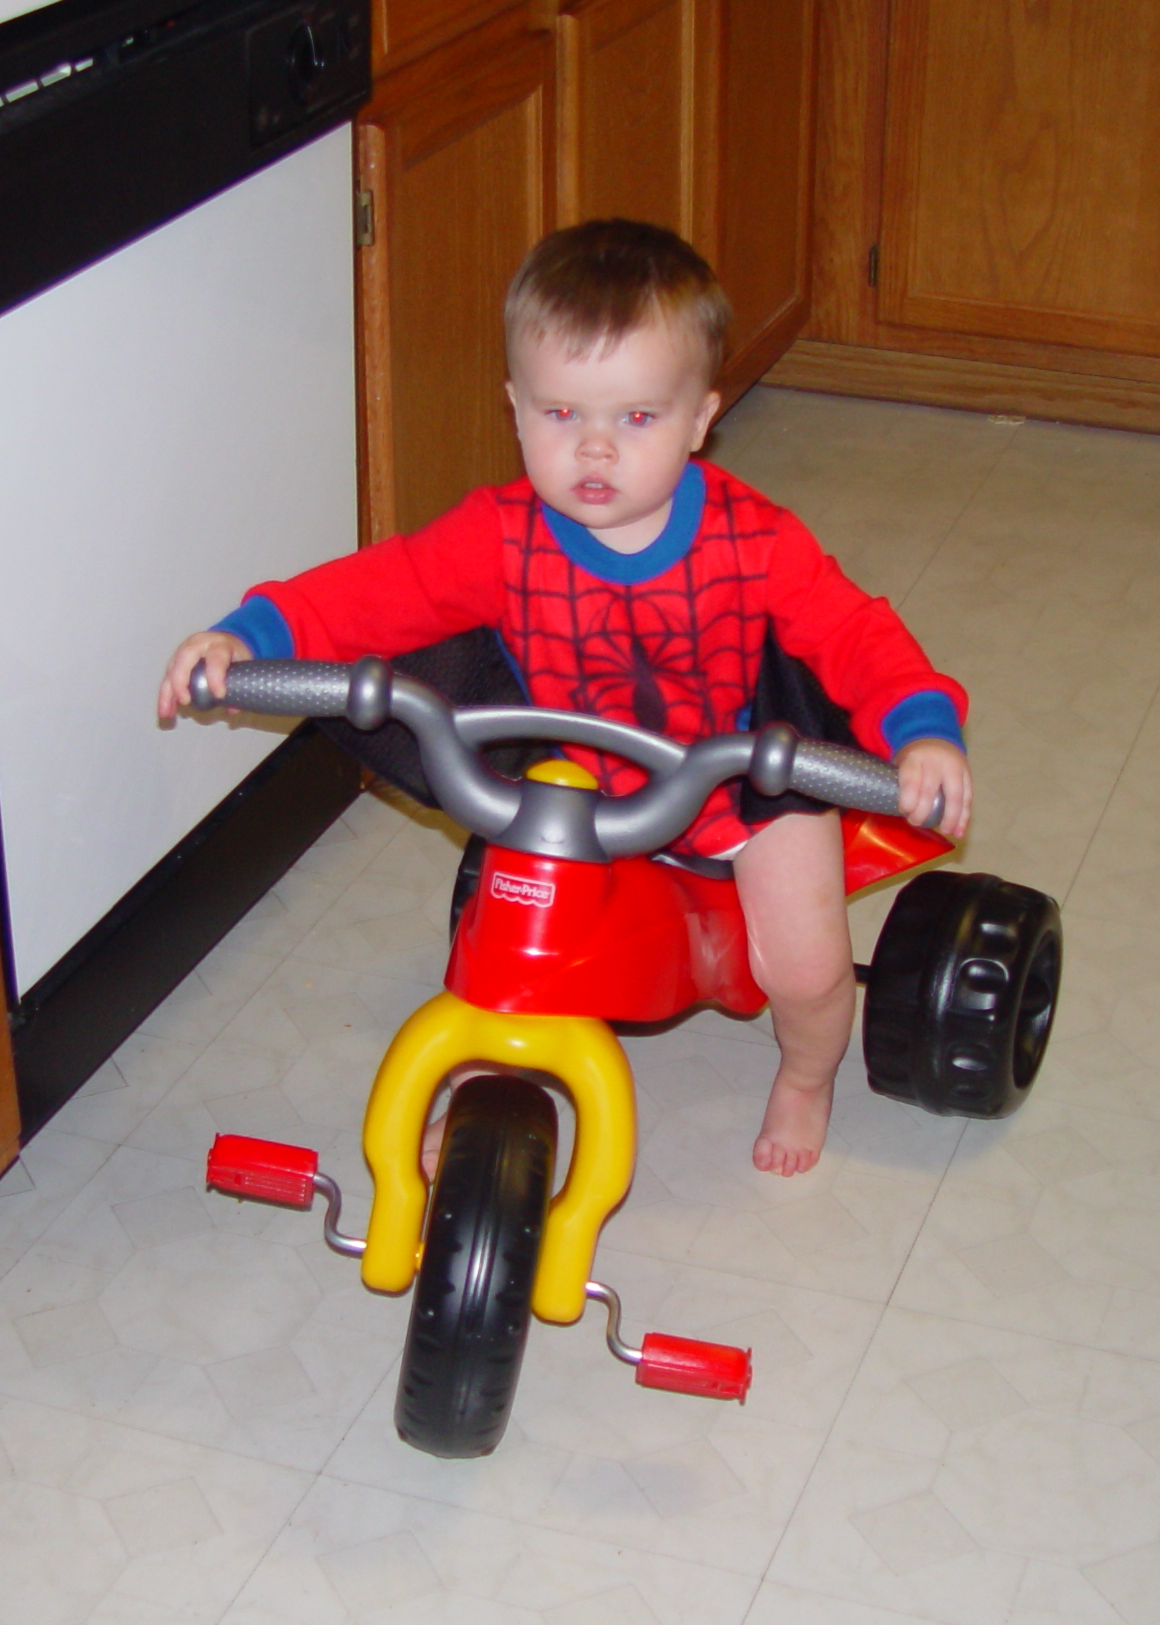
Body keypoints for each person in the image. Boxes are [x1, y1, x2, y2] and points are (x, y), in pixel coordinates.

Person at [158, 220, 969, 1176]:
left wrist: (921, 729)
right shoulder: (496, 537)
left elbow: (852, 632)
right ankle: (475, 1085)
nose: (594, 450)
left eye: (636, 419)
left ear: (701, 418)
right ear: (515, 407)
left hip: (743, 781)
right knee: (512, 931)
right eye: (559, 415)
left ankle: (805, 1072)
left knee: (801, 964)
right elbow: (375, 591)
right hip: (581, 776)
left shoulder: (755, 542)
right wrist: (250, 636)